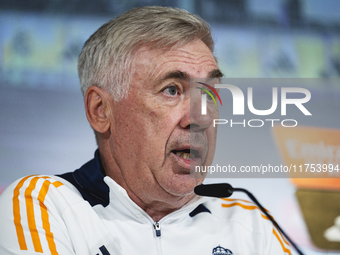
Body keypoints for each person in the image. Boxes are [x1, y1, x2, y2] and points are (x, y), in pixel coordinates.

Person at [0, 6, 291, 255]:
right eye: (172, 90)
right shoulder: (46, 205)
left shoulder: (251, 225)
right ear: (100, 111)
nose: (200, 117)